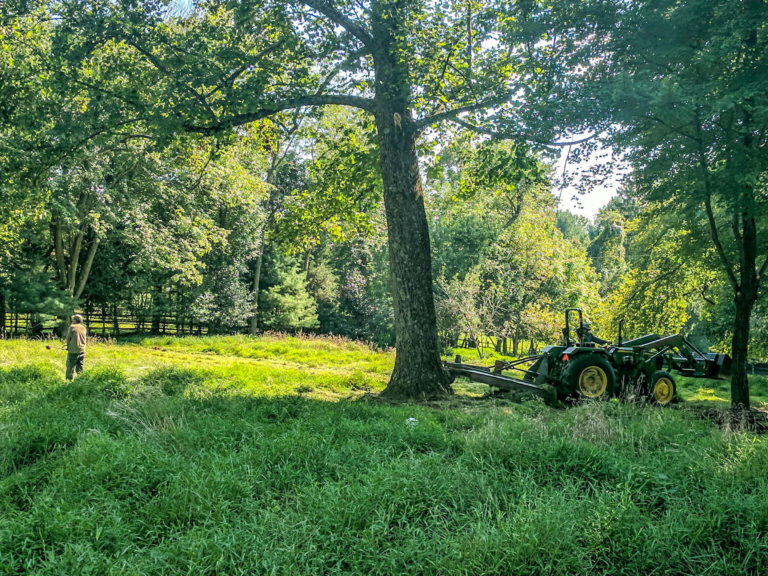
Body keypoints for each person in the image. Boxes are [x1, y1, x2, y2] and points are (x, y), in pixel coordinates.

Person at [64, 314, 87, 380]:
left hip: (73, 351)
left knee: (70, 366)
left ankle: (69, 381)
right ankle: (81, 379)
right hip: (82, 350)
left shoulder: (72, 327)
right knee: (80, 366)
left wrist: (68, 346)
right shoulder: (83, 328)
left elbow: (68, 338)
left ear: (75, 320)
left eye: (73, 319)